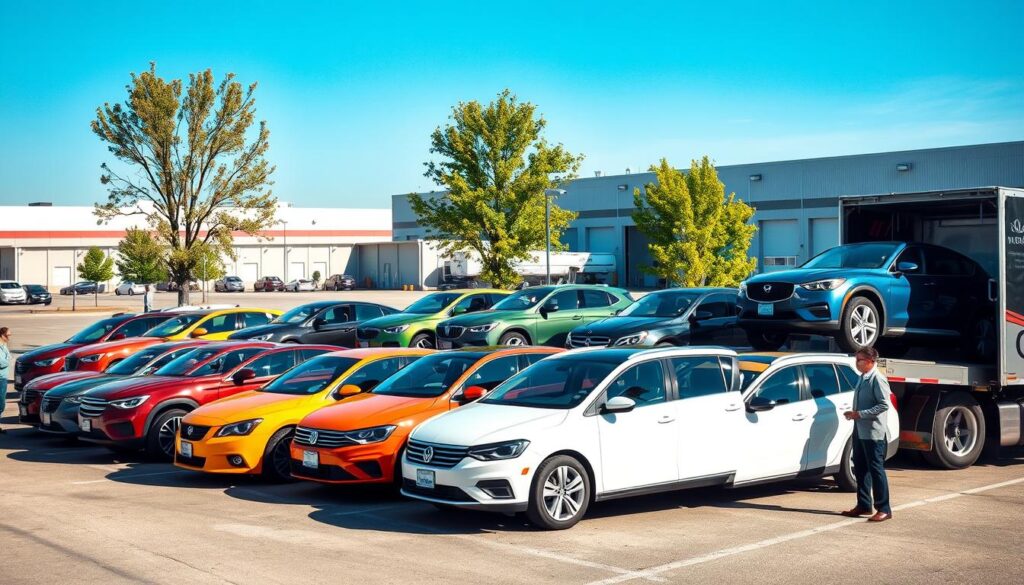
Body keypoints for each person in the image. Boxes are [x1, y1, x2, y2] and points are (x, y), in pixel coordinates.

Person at [840, 346, 892, 522]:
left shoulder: (877, 379)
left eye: (860, 360)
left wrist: (860, 414)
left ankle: (884, 508)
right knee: (861, 468)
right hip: (860, 429)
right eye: (856, 359)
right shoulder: (863, 378)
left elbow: (884, 405)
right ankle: (864, 504)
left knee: (876, 469)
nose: (857, 363)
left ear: (871, 361)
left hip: (873, 432)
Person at [0, 327, 11, 434]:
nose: (9, 338)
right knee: (0, 403)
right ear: (2, 335)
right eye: (8, 335)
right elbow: (3, 363)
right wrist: (8, 360)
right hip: (0, 378)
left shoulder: (4, 346)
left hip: (3, 377)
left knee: (2, 402)